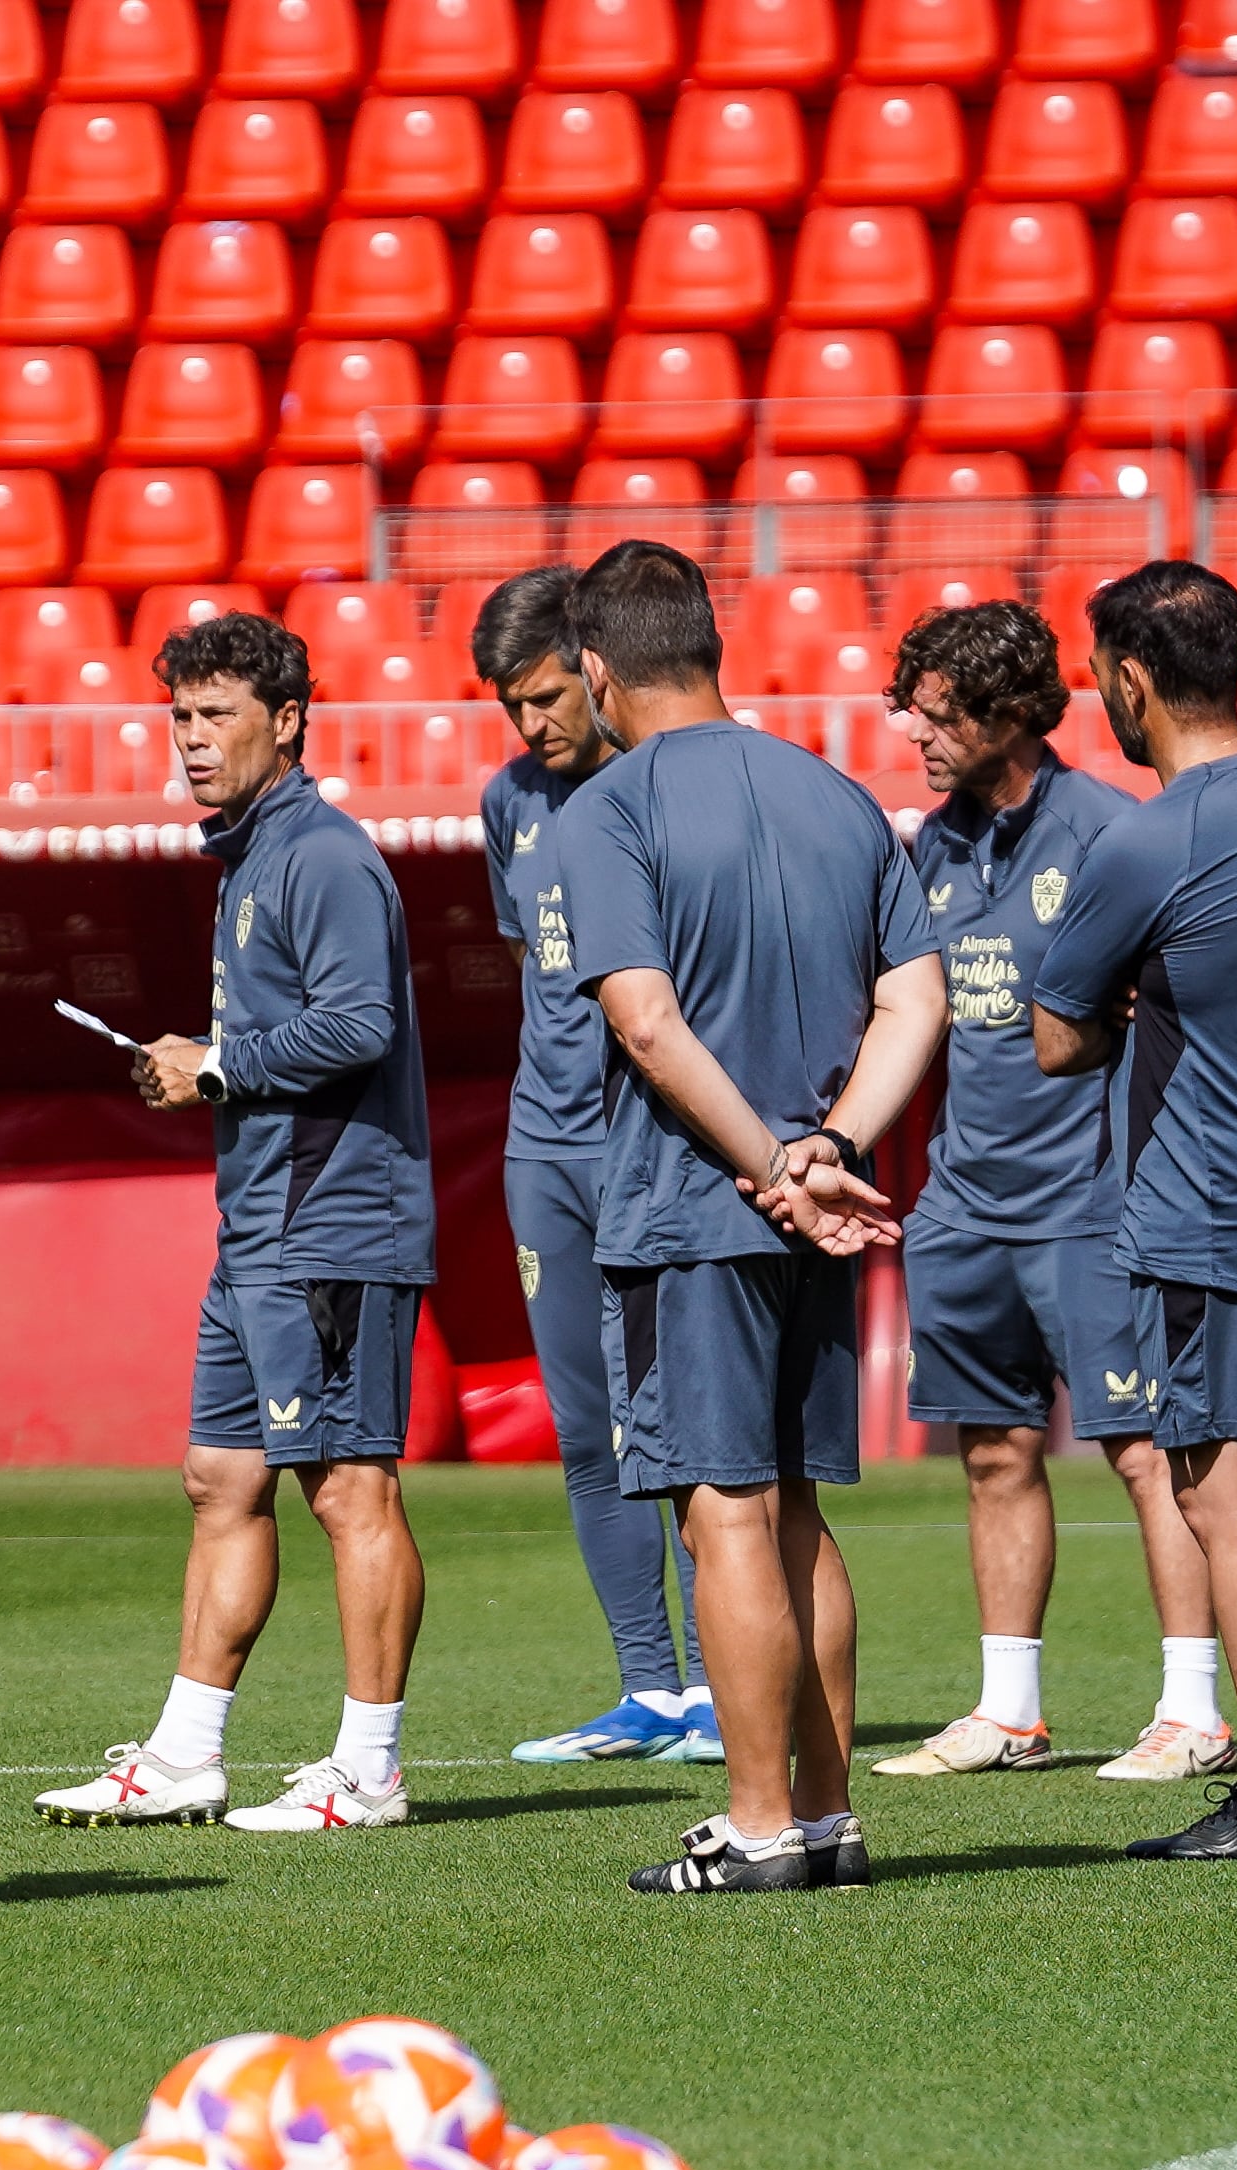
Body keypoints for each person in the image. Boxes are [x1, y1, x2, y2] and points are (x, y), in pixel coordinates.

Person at [543, 540, 944, 1895]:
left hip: (688, 1209)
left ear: (595, 672)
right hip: (813, 1209)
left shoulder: (600, 813)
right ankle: (824, 1818)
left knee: (723, 1515)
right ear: (705, 647)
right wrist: (828, 1147)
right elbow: (917, 999)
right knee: (795, 1519)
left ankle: (760, 1824)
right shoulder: (837, 796)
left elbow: (642, 1022)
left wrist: (769, 1157)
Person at [38, 609, 437, 1836]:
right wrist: (211, 1067)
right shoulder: (252, 857)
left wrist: (215, 1065)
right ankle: (183, 1754)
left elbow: (361, 1022)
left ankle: (368, 1768)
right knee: (221, 1479)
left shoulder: (320, 855)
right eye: (180, 716)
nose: (193, 740)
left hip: (331, 1225)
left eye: (217, 715)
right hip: (258, 1225)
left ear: (287, 722)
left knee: (347, 1489)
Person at [1027, 559, 1237, 1863]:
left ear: (1129, 680)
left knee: (1221, 1490)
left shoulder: (1147, 832)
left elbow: (1057, 1037)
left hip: (1217, 1189)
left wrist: (1115, 1000)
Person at [866, 597, 1237, 1788]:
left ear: (1013, 713)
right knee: (992, 1451)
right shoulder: (926, 846)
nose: (915, 739)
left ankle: (1192, 1708)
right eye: (909, 715)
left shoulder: (1107, 831)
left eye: (936, 718)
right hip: (966, 1199)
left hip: (1092, 1195)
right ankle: (1009, 1709)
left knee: (1143, 1452)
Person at [471, 567, 706, 1766]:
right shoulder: (506, 799)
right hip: (542, 1149)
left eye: (549, 696)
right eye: (511, 707)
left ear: (596, 668)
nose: (532, 727)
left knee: (688, 1422)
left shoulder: (664, 789)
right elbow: (533, 957)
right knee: (586, 1426)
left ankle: (721, 1685)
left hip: (647, 1144)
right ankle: (649, 1690)